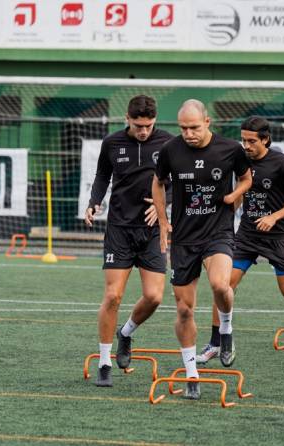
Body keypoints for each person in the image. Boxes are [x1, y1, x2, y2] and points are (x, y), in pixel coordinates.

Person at [196, 116, 284, 365]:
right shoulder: (240, 161)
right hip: (247, 235)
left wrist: (273, 217)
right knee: (223, 286)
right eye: (243, 140)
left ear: (265, 139)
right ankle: (216, 341)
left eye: (252, 141)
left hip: (278, 237)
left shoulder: (282, 162)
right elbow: (239, 193)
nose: (246, 145)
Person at [152, 99, 252, 400]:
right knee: (184, 310)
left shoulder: (230, 149)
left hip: (217, 232)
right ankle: (192, 374)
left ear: (207, 122)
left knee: (221, 285)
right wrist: (163, 221)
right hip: (184, 238)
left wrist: (234, 196)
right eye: (183, 128)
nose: (188, 134)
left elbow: (247, 178)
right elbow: (157, 183)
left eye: (194, 127)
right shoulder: (170, 150)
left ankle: (225, 330)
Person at [84, 95, 173, 387]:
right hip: (120, 229)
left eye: (148, 125)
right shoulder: (112, 143)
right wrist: (94, 202)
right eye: (138, 126)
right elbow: (102, 175)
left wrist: (162, 204)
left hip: (152, 231)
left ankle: (126, 332)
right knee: (113, 296)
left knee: (155, 297)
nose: (144, 131)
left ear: (155, 120)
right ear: (127, 119)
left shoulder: (168, 143)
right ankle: (104, 362)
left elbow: (178, 183)